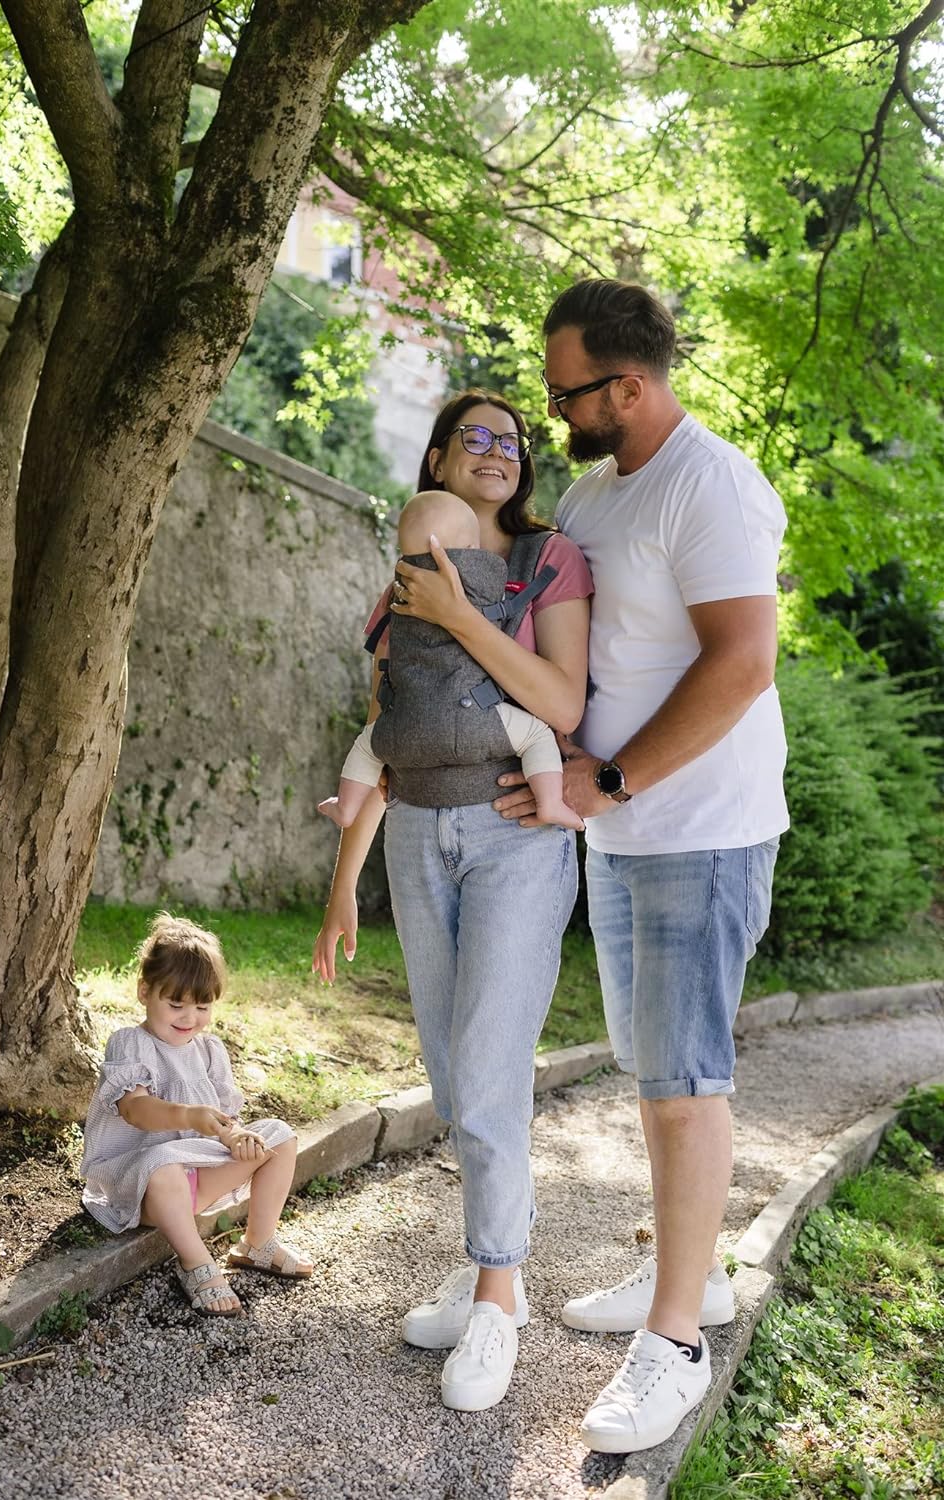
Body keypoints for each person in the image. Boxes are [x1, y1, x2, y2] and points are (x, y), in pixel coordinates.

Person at [495, 279, 788, 1452]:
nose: (554, 409)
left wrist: (608, 780)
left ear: (628, 385)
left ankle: (672, 1343)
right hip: (620, 830)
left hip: (696, 831)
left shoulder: (710, 485)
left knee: (683, 1083)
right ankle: (689, 1275)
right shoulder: (590, 489)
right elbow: (587, 650)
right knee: (653, 1069)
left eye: (567, 390)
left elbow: (741, 665)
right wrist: (567, 759)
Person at [313, 390, 592, 1411]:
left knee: (485, 1067)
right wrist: (344, 883)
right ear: (434, 459)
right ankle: (485, 1269)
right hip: (421, 832)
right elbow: (394, 728)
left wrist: (462, 611)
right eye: (472, 436)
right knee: (447, 1063)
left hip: (514, 831)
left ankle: (499, 1298)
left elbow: (560, 704)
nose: (495, 451)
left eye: (510, 440)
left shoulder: (546, 562)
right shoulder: (402, 580)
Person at [81, 912, 312, 1316]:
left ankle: (258, 1243)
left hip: (197, 1178)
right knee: (162, 1165)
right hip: (144, 1184)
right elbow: (135, 1110)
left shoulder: (209, 1051)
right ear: (144, 992)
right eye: (176, 1005)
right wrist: (190, 1116)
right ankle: (196, 1264)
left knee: (278, 1135)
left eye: (202, 1006)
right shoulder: (131, 1044)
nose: (190, 1019)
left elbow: (221, 1117)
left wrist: (235, 1135)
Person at [317, 488, 582, 832]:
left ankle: (345, 806)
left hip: (404, 728)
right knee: (536, 735)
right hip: (474, 719)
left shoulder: (400, 591)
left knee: (368, 745)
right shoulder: (486, 576)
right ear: (471, 549)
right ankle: (550, 802)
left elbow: (377, 706)